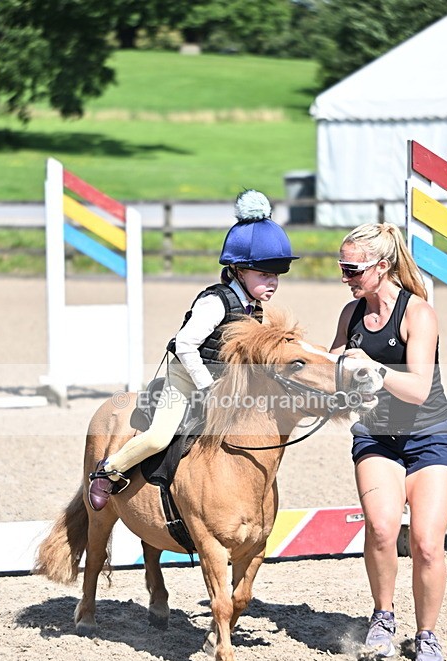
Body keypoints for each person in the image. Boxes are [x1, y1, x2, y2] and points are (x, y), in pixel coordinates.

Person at [88, 189, 299, 511]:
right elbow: (185, 344)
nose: (273, 283)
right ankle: (109, 471)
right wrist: (205, 386)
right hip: (186, 379)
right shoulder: (215, 302)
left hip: (223, 384)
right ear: (239, 271)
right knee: (159, 437)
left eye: (276, 276)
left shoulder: (255, 307)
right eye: (264, 275)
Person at [330, 222, 447, 661]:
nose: (344, 277)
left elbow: (419, 389)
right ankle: (382, 618)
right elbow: (332, 370)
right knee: (382, 529)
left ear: (382, 266)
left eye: (352, 269)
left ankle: (426, 634)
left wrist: (371, 367)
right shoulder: (350, 315)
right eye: (342, 267)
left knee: (426, 543)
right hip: (376, 436)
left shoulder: (418, 313)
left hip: (431, 436)